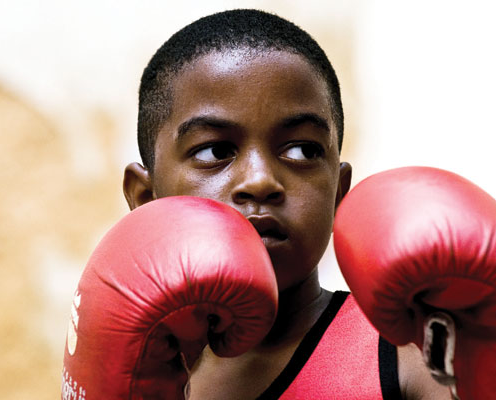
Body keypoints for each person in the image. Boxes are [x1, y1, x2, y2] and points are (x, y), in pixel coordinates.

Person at [122, 8, 451, 399]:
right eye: (214, 151)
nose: (261, 180)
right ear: (146, 197)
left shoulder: (410, 358)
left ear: (339, 194)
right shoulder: (129, 371)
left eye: (302, 149)